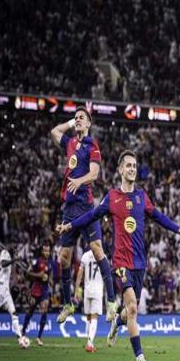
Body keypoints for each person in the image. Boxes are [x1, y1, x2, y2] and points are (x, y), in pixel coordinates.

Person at [57, 150, 180, 361]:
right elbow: (91, 215)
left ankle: (116, 325)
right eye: (128, 165)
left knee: (128, 311)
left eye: (134, 166)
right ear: (120, 170)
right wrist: (69, 225)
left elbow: (159, 217)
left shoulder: (142, 197)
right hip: (120, 263)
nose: (132, 169)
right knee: (132, 308)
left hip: (140, 263)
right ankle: (140, 358)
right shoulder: (112, 197)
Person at [50, 107, 116, 323]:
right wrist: (71, 122)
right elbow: (54, 132)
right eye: (76, 117)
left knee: (97, 250)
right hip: (69, 208)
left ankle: (111, 302)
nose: (78, 120)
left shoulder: (92, 145)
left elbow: (95, 174)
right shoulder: (70, 143)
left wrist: (79, 181)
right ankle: (68, 304)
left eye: (82, 118)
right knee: (64, 257)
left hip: (86, 206)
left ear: (89, 124)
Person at [21, 244, 52, 346]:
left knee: (45, 309)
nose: (47, 253)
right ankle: (23, 332)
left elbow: (48, 276)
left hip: (45, 290)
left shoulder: (50, 263)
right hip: (36, 289)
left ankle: (39, 337)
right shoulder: (36, 261)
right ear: (42, 251)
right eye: (45, 251)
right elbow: (27, 274)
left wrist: (48, 279)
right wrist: (38, 275)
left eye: (48, 251)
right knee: (30, 311)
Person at [74, 249, 103, 352]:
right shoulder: (102, 255)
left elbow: (79, 274)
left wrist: (76, 290)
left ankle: (89, 342)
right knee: (94, 317)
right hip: (97, 291)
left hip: (87, 290)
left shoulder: (85, 256)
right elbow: (107, 275)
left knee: (89, 317)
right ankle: (89, 344)